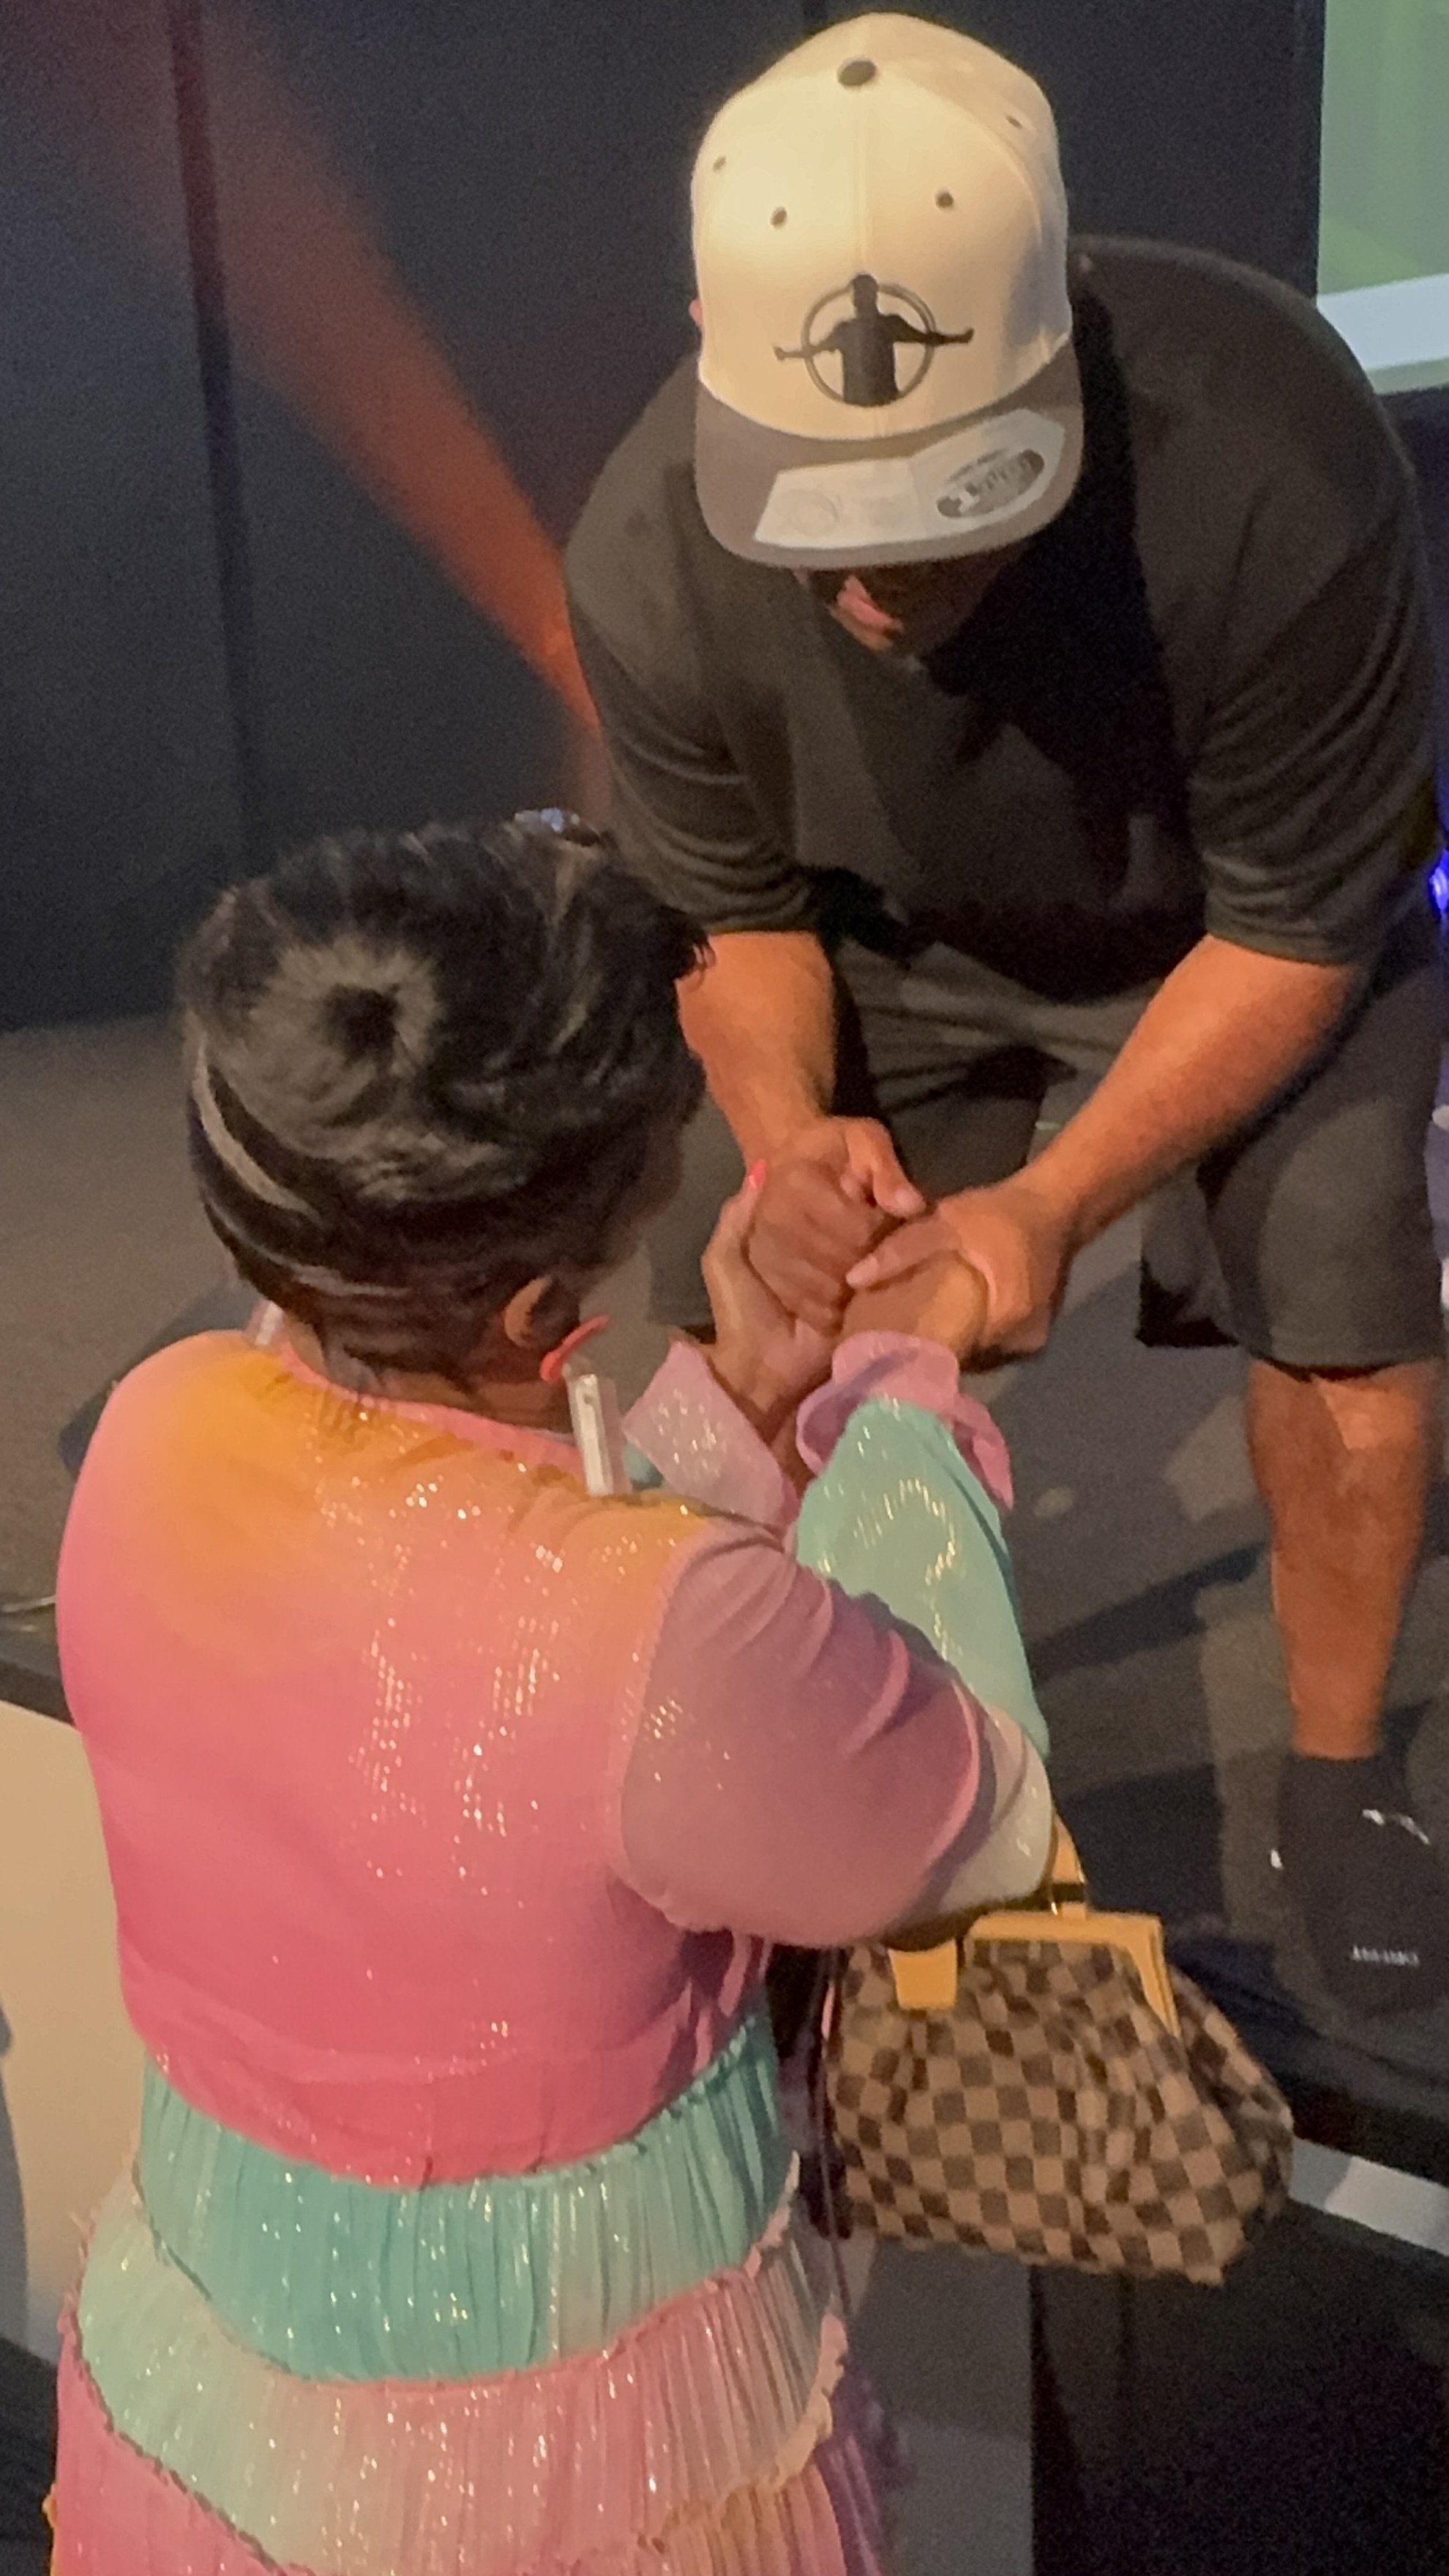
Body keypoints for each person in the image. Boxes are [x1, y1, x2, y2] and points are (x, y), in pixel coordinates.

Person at [565, 13, 1449, 2016]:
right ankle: (763, 1765)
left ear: (1055, 342)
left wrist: (1044, 1209)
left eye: (942, 512)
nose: (880, 587)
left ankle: (1334, 1781)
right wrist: (794, 1141)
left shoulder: (1273, 453)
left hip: (1234, 930)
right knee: (763, 1289)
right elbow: (731, 913)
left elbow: (1304, 924)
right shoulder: (646, 550)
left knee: (1340, 1259)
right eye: (836, 536)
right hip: (900, 936)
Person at [49, 813, 1052, 2576]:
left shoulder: (158, 1430)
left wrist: (740, 1381)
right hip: (574, 2463)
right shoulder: (664, 1629)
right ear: (540, 1310)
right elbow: (956, 1811)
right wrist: (904, 1377)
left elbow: (471, 1571)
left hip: (224, 2373)